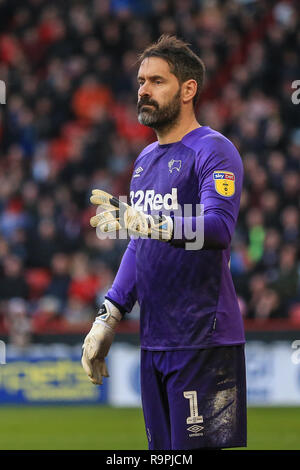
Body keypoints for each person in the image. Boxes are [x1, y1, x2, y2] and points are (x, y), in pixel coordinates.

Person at [81, 35, 247, 451]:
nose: (143, 90)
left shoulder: (214, 150)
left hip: (203, 342)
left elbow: (218, 228)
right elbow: (140, 245)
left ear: (188, 89)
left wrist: (153, 221)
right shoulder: (144, 161)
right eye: (141, 81)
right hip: (154, 341)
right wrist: (109, 316)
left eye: (157, 81)